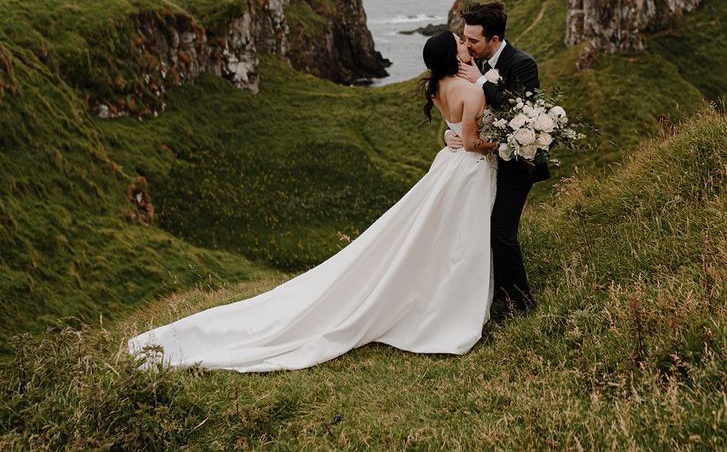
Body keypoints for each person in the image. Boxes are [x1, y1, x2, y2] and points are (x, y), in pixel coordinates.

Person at [127, 31, 496, 373]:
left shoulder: (438, 88)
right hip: (467, 168)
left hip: (447, 165)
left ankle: (437, 292)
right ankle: (449, 303)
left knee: (441, 232)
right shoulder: (472, 92)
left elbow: (453, 131)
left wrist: (460, 134)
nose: (466, 45)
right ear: (453, 54)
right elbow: (471, 141)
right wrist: (502, 141)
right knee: (461, 236)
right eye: (460, 43)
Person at [446, 0, 548, 316]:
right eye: (464, 39)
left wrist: (480, 81)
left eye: (473, 40)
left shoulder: (522, 64)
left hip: (519, 163)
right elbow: (460, 112)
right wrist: (450, 136)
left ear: (493, 40)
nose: (467, 45)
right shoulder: (468, 64)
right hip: (484, 162)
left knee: (500, 231)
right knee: (480, 229)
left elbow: (520, 114)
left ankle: (521, 302)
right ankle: (494, 295)